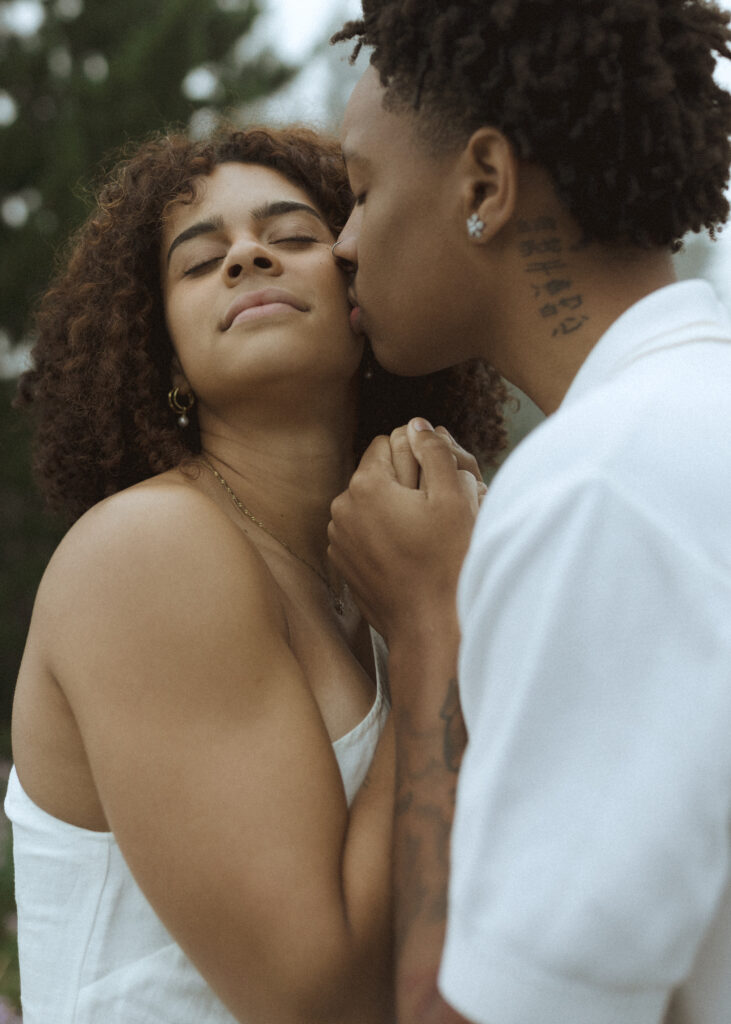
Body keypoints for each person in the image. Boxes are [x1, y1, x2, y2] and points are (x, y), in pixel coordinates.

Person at [5, 123, 507, 1024]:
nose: (244, 257)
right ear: (162, 357)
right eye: (199, 264)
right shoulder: (148, 551)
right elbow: (316, 999)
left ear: (362, 293)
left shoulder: (382, 567)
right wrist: (439, 616)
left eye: (293, 236)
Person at [326, 3, 731, 1024]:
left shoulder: (600, 487)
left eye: (362, 193)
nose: (339, 243)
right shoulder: (686, 423)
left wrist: (427, 628)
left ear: (484, 185)